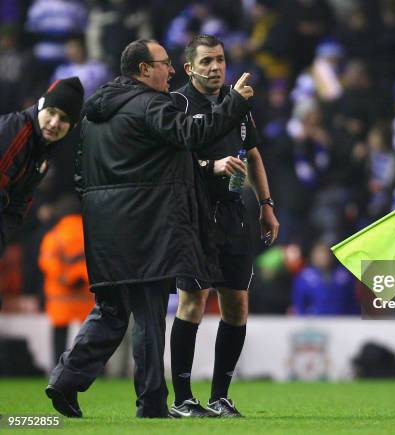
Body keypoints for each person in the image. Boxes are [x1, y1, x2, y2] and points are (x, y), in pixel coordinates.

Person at [45, 39, 254, 419]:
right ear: (144, 70)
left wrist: (100, 210)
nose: (171, 71)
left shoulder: (94, 114)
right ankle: (153, 404)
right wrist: (235, 103)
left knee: (110, 311)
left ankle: (65, 380)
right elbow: (193, 136)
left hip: (103, 227)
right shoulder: (151, 104)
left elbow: (80, 172)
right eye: (164, 64)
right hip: (145, 226)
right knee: (148, 313)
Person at [168, 34, 279, 418]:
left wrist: (266, 206)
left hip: (234, 213)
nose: (215, 67)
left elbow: (253, 154)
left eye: (219, 60)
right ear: (189, 68)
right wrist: (209, 167)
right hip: (194, 214)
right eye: (206, 62)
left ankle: (219, 397)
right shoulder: (177, 103)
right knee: (193, 301)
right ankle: (182, 398)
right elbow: (168, 161)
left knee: (237, 304)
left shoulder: (239, 103)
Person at [0, 76, 84, 310]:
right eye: (52, 112)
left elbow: (18, 205)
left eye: (64, 119)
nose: (55, 122)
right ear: (40, 106)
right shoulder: (17, 131)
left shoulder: (41, 151)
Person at [39, 195, 93, 366]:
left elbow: (47, 262)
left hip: (60, 297)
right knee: (91, 335)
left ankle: (57, 369)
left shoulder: (54, 236)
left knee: (59, 335)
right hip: (85, 296)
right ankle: (94, 369)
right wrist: (81, 277)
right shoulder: (91, 234)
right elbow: (96, 260)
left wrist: (66, 279)